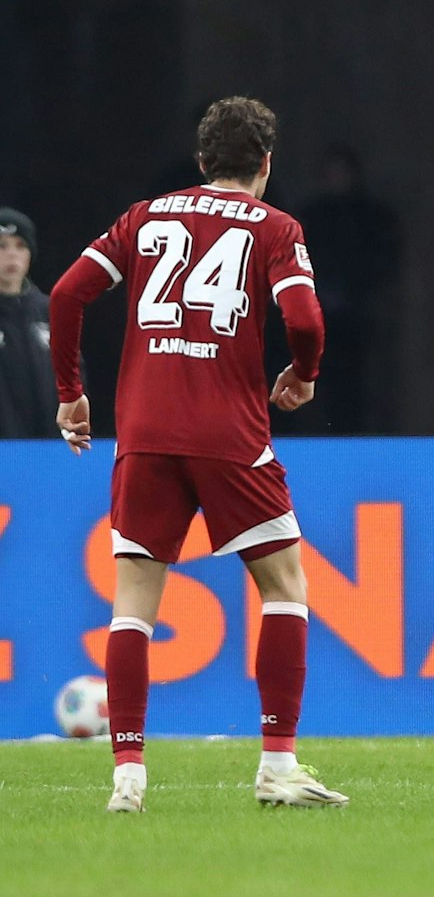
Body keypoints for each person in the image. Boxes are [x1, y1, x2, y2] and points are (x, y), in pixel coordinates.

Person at [48, 97, 346, 812]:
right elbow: (304, 317)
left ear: (203, 160)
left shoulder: (144, 217)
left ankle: (127, 779)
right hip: (228, 434)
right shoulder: (276, 227)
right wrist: (302, 375)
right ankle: (277, 766)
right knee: (284, 588)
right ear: (266, 163)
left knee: (133, 606)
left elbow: (65, 294)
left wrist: (71, 394)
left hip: (145, 430)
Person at [296, 144, 403, 432]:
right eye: (331, 172)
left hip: (359, 316)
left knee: (359, 386)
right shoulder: (309, 218)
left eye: (341, 172)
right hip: (313, 315)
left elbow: (383, 261)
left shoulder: (373, 217)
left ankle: (357, 441)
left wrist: (355, 293)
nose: (336, 178)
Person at [0, 208, 59, 439]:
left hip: (49, 452)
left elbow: (74, 376)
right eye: (2, 246)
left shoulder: (50, 310)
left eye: (20, 246)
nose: (11, 255)